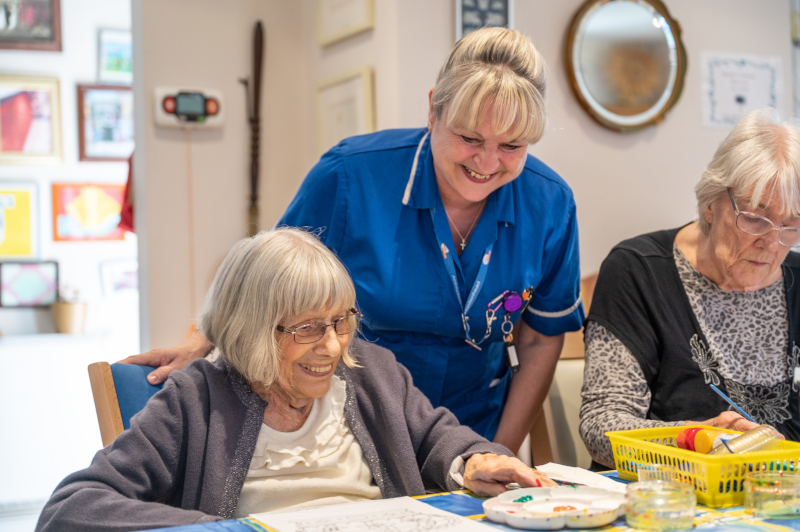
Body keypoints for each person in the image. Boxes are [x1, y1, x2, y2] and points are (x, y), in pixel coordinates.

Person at [124, 27, 584, 453]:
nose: (487, 163)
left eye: (512, 146)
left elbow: (541, 341)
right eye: (469, 137)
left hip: (472, 430)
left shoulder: (550, 203)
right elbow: (261, 283)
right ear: (433, 109)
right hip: (344, 431)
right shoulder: (350, 177)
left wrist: (495, 451)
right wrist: (204, 339)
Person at [37, 228, 553, 532]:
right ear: (251, 328)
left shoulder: (372, 373)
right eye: (307, 328)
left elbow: (437, 435)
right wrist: (219, 531)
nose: (331, 345)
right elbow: (70, 508)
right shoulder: (197, 398)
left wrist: (476, 460)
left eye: (340, 321)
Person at [579, 107, 800, 468]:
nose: (772, 244)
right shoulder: (638, 271)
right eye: (755, 219)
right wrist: (698, 437)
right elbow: (602, 427)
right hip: (666, 502)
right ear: (711, 203)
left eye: (790, 226)